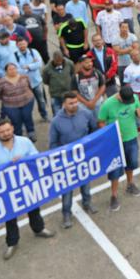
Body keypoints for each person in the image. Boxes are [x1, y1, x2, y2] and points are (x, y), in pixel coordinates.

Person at [0, 117, 56, 259]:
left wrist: (24, 160)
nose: (6, 133)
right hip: (7, 191)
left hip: (27, 186)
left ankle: (39, 229)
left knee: (34, 210)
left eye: (8, 130)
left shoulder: (25, 142)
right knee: (10, 218)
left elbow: (36, 157)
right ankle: (12, 242)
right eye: (1, 132)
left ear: (12, 128)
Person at [48, 91, 98, 229]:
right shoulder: (56, 121)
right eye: (71, 103)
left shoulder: (86, 113)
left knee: (86, 182)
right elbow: (52, 143)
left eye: (76, 102)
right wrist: (60, 157)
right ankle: (66, 213)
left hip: (84, 156)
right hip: (67, 160)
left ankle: (87, 203)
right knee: (67, 189)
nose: (74, 105)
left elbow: (94, 130)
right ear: (64, 104)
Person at [97, 86, 140, 212]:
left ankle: (130, 184)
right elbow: (100, 122)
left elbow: (139, 109)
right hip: (115, 142)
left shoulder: (133, 98)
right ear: (119, 96)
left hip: (132, 137)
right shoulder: (107, 105)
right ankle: (114, 195)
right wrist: (111, 134)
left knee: (132, 163)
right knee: (115, 169)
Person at [14, 37, 47, 122]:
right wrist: (32, 64)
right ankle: (28, 119)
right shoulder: (15, 56)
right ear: (17, 45)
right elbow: (17, 70)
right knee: (27, 103)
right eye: (20, 44)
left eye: (23, 43)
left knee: (41, 100)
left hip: (36, 81)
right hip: (24, 84)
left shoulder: (34, 52)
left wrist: (28, 66)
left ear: (27, 43)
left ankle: (44, 115)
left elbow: (40, 64)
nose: (22, 45)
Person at [42, 51, 75, 116]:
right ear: (53, 60)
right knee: (57, 114)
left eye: (61, 61)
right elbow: (45, 81)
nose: (59, 63)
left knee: (70, 112)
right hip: (55, 95)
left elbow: (72, 74)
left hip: (68, 93)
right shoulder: (46, 69)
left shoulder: (70, 63)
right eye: (57, 62)